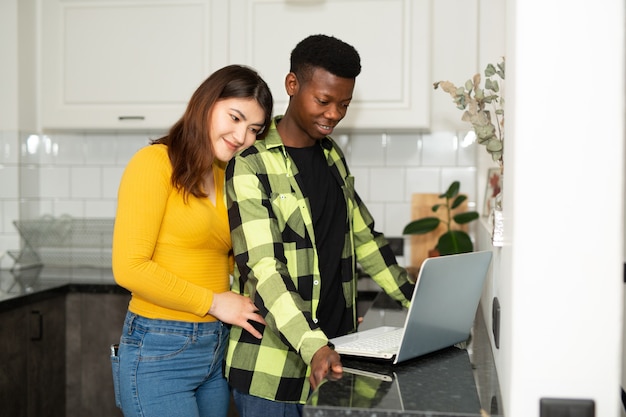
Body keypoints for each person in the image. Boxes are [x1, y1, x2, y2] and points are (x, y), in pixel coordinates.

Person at [224, 34, 415, 417]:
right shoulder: (250, 164)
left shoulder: (331, 155)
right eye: (323, 101)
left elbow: (363, 238)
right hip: (273, 369)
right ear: (292, 85)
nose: (334, 114)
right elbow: (264, 271)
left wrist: (415, 300)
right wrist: (313, 346)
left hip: (334, 359)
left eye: (344, 104)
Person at [111, 64, 273, 417]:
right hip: (158, 348)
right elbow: (129, 268)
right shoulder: (153, 162)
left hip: (214, 347)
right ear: (207, 102)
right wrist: (215, 303)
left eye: (254, 129)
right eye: (234, 117)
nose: (241, 135)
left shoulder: (225, 173)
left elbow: (229, 259)